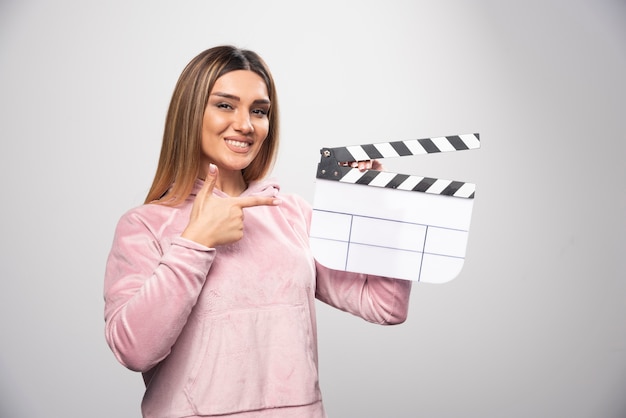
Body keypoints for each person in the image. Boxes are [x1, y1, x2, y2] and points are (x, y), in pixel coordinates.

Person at [103, 45, 412, 418]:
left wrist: (377, 211)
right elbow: (134, 349)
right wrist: (196, 241)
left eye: (259, 111)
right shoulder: (144, 226)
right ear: (190, 114)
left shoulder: (291, 214)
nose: (246, 124)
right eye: (225, 105)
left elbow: (385, 305)